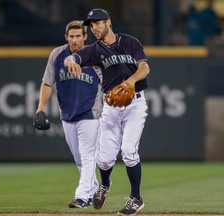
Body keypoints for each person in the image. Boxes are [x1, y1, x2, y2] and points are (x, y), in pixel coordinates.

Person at [64, 9, 150, 216]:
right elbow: (73, 57)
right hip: (111, 107)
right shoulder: (94, 50)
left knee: (129, 151)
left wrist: (129, 82)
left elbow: (144, 68)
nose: (94, 28)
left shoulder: (130, 42)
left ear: (108, 23)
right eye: (91, 25)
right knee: (103, 160)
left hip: (135, 104)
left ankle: (136, 198)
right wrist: (71, 62)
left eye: (98, 23)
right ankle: (104, 185)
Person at [36, 20, 103, 208]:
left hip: (91, 113)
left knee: (88, 155)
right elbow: (47, 83)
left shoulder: (95, 55)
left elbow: (107, 84)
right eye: (71, 36)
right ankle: (93, 191)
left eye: (78, 36)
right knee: (79, 158)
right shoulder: (57, 54)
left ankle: (81, 197)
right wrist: (40, 107)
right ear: (66, 37)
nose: (75, 40)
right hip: (67, 114)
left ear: (85, 37)